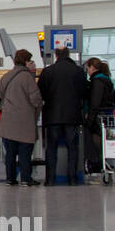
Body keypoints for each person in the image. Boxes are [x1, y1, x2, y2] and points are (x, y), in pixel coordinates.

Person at [37, 46, 88, 185]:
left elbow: (40, 91)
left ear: (56, 55)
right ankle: (72, 178)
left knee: (51, 149)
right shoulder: (77, 71)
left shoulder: (48, 71)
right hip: (72, 116)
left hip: (52, 116)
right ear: (68, 54)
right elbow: (84, 91)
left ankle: (50, 179)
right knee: (73, 148)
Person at [0, 49, 43, 186]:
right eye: (30, 61)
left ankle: (10, 178)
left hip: (8, 121)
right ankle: (25, 179)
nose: (31, 63)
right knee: (25, 152)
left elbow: (1, 96)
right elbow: (35, 99)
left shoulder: (6, 77)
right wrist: (40, 105)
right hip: (24, 120)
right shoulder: (27, 78)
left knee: (10, 153)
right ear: (25, 62)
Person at [84, 58, 115, 176]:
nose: (87, 71)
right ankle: (102, 165)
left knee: (96, 142)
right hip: (105, 115)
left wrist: (90, 120)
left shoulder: (97, 81)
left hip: (97, 117)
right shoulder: (105, 80)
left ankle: (98, 166)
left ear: (92, 67)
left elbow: (95, 102)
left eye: (88, 68)